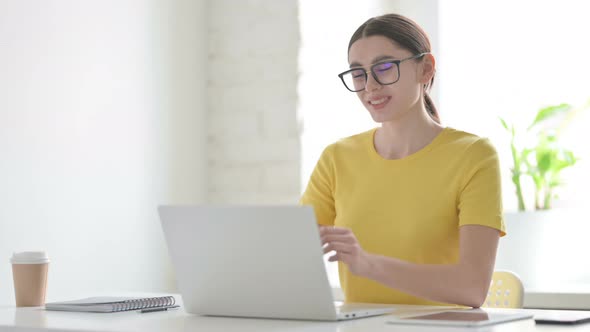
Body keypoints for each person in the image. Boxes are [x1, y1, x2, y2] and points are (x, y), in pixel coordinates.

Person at [300, 13, 505, 308]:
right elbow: (292, 254)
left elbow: (472, 288)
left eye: (384, 67)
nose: (370, 86)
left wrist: (368, 264)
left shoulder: (473, 155)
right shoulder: (337, 158)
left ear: (426, 69)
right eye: (358, 73)